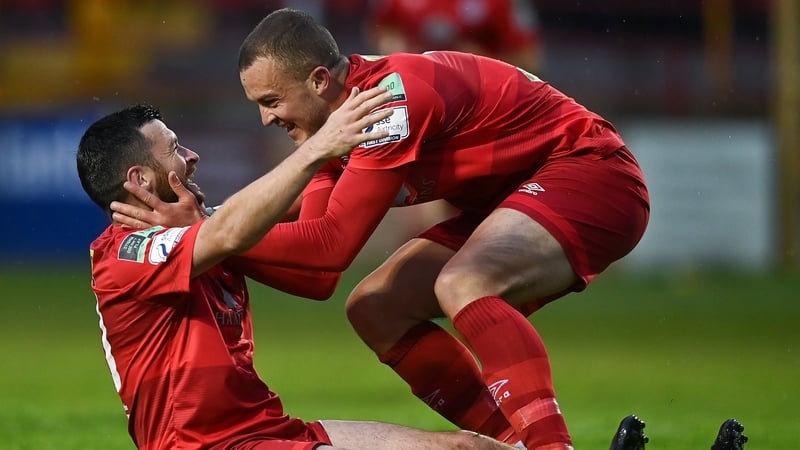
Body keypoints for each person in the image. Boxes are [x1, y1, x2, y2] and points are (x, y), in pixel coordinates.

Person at [111, 8, 650, 450]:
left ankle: (551, 448)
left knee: (464, 283)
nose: (266, 120)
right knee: (373, 306)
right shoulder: (331, 138)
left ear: (320, 80)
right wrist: (204, 240)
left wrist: (201, 235)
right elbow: (319, 273)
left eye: (271, 102)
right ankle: (514, 444)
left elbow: (328, 247)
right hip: (513, 196)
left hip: (590, 171)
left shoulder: (385, 102)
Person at [77, 94, 522, 450]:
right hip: (203, 445)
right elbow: (230, 230)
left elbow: (294, 219)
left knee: (468, 448)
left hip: (267, 429)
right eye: (174, 149)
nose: (192, 157)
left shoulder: (196, 228)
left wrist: (373, 148)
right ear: (140, 180)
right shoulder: (128, 253)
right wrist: (319, 146)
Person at [366, 0, 544, 73]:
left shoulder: (503, 3)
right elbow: (381, 29)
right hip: (418, 93)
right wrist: (394, 48)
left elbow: (531, 61)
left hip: (483, 101)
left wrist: (483, 62)